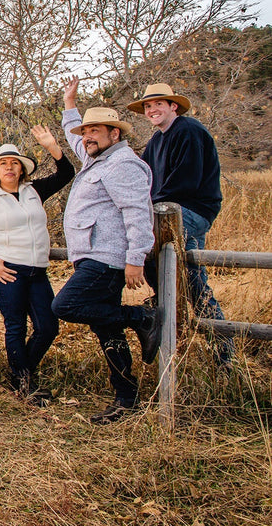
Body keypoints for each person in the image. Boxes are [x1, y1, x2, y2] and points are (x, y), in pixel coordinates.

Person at [52, 77, 160, 424]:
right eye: (87, 132)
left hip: (107, 257)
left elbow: (137, 212)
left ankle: (142, 318)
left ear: (115, 133)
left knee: (65, 305)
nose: (88, 137)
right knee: (107, 331)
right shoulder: (96, 158)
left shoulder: (122, 164)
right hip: (93, 254)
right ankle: (126, 399)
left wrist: (135, 259)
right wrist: (70, 105)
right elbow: (73, 137)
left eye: (96, 131)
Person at [0, 126, 74, 404]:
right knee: (16, 326)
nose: (9, 168)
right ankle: (24, 384)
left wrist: (51, 146)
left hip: (37, 270)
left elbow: (66, 174)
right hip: (7, 269)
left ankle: (20, 373)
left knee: (48, 326)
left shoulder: (34, 190)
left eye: (14, 163)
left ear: (22, 169)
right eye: (3, 164)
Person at [127, 83, 233, 369]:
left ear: (174, 106)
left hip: (192, 210)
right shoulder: (156, 141)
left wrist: (146, 212)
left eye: (159, 104)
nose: (152, 110)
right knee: (190, 280)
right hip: (165, 211)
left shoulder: (188, 130)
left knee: (188, 276)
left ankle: (225, 353)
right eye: (148, 106)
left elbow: (184, 183)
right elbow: (145, 182)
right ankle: (167, 310)